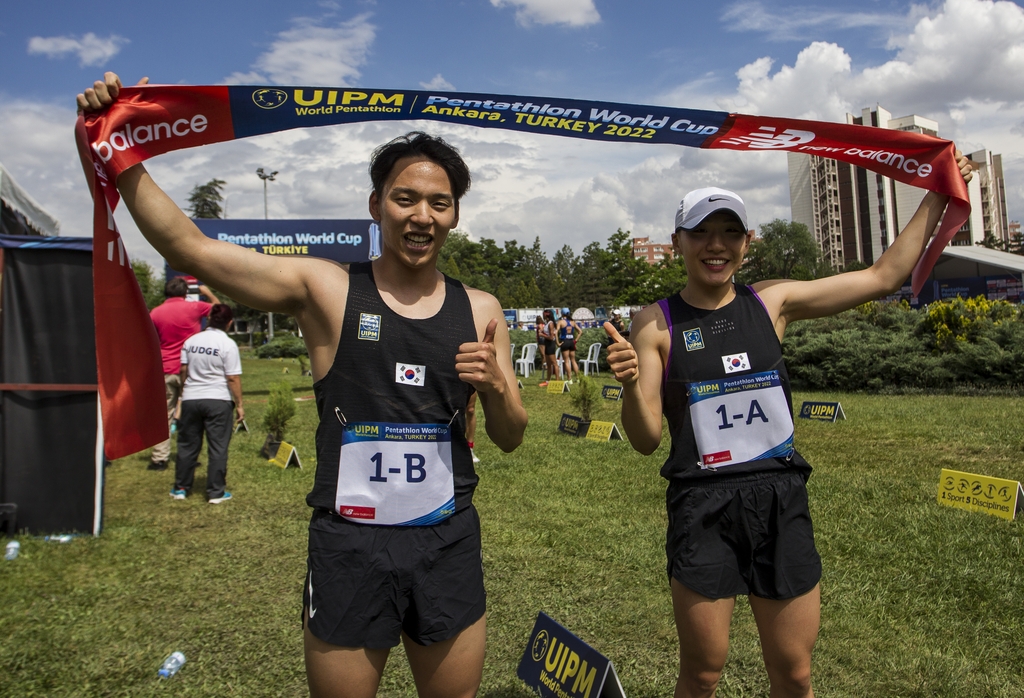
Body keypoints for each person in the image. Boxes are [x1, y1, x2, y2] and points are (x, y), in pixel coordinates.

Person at [79, 74, 527, 698]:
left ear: (454, 215)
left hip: (446, 540)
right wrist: (119, 149)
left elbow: (510, 437)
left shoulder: (481, 308)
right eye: (405, 198)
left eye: (440, 202)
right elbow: (192, 248)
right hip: (352, 546)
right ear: (376, 206)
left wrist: (500, 391)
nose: (422, 215)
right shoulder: (327, 289)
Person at [605, 160, 971, 698]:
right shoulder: (655, 323)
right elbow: (645, 440)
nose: (716, 245)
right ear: (678, 242)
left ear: (747, 243)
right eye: (701, 232)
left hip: (780, 500)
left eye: (730, 233)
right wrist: (634, 385)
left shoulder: (771, 302)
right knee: (702, 674)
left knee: (794, 674)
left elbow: (882, 278)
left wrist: (938, 195)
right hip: (701, 508)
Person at [172, 304, 243, 503]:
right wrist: (239, 404)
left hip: (192, 398)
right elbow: (232, 379)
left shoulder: (191, 341)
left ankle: (181, 488)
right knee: (218, 447)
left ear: (209, 319)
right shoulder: (228, 344)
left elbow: (183, 370)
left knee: (187, 445)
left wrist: (184, 391)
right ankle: (215, 492)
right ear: (229, 323)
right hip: (218, 400)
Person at [148, 276, 219, 470]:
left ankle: (159, 458)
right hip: (191, 368)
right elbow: (220, 311)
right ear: (185, 293)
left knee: (165, 414)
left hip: (165, 368)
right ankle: (189, 455)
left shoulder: (155, 313)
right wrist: (208, 293)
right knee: (192, 416)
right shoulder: (195, 307)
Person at [556, 311, 582, 382]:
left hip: (565, 341)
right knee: (573, 360)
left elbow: (556, 332)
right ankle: (578, 378)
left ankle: (569, 379)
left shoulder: (561, 322)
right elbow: (580, 331)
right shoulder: (572, 322)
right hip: (571, 341)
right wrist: (575, 340)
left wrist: (557, 343)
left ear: (562, 314)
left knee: (567, 361)